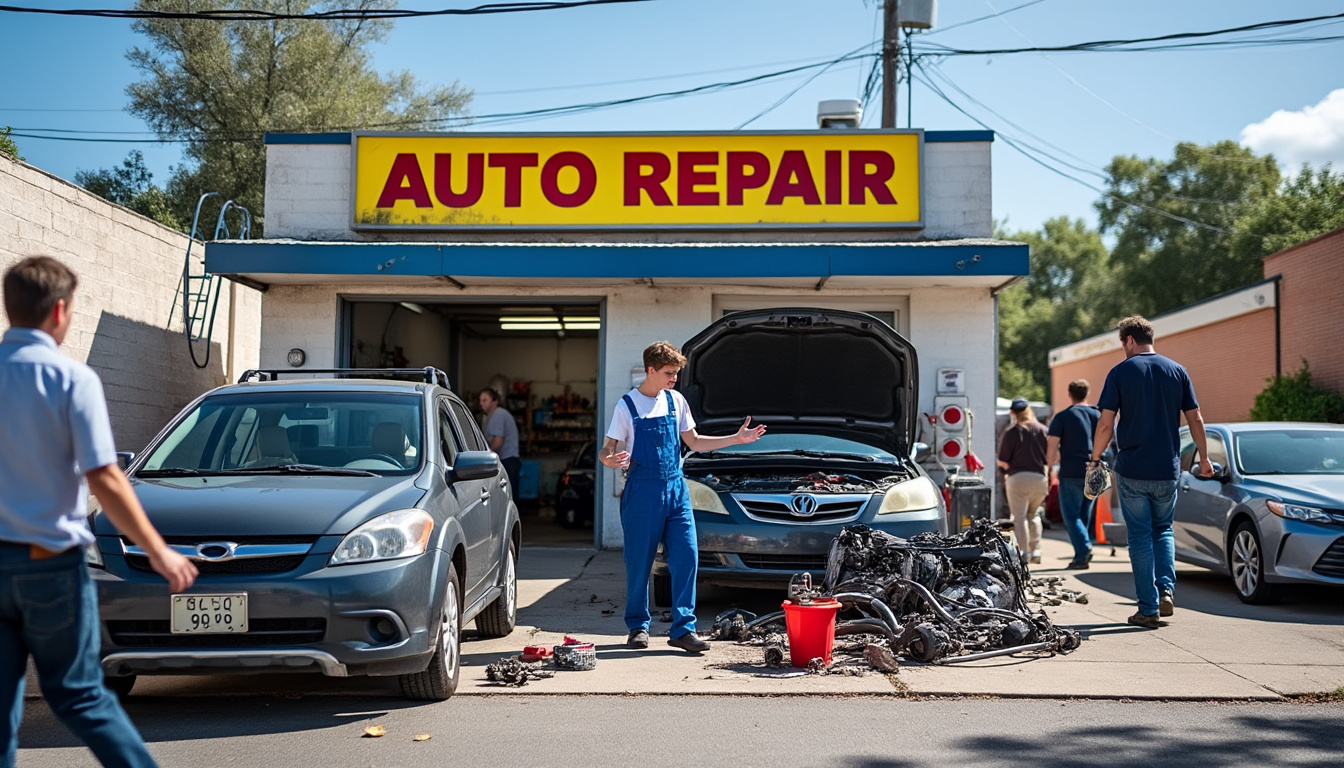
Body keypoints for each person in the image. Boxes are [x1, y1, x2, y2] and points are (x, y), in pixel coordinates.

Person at [1, 256, 198, 768]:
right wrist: (159, 551)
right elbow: (105, 477)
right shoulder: (71, 380)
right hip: (51, 568)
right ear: (60, 311)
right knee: (79, 695)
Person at [599, 341, 765, 653]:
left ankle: (683, 629)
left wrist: (737, 438)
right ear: (650, 371)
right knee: (639, 562)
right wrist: (610, 459)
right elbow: (607, 448)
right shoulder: (627, 406)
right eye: (668, 373)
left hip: (676, 489)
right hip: (642, 491)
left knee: (687, 556)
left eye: (676, 373)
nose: (674, 378)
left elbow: (695, 441)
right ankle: (637, 626)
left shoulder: (676, 401)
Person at [1090, 316, 1213, 630]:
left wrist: (1094, 458)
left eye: (1122, 344)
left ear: (1129, 340)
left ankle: (1148, 608)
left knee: (1140, 537)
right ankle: (1167, 589)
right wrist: (1204, 459)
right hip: (1167, 470)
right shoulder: (1177, 370)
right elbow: (1196, 419)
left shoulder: (1120, 373)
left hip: (1133, 470)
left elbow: (1105, 424)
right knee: (1163, 530)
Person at [1047, 379, 1102, 569]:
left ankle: (1083, 549)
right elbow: (1109, 438)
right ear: (1087, 393)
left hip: (1071, 469)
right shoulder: (1098, 414)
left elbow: (1052, 446)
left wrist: (1049, 465)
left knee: (1071, 515)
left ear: (1069, 394)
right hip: (1094, 470)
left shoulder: (1062, 417)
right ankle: (1080, 555)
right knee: (1084, 514)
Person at [997, 397, 1049, 565]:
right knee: (1034, 514)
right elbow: (1050, 457)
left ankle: (1023, 553)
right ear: (1029, 410)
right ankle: (1036, 550)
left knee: (1019, 517)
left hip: (1017, 478)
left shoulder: (1012, 432)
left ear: (1012, 412)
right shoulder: (1043, 430)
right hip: (1040, 478)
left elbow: (1003, 460)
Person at [479, 387, 521, 498]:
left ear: (494, 401)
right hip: (508, 460)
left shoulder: (498, 415)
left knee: (507, 498)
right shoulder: (491, 416)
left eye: (485, 400)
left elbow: (498, 441)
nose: (481, 403)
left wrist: (485, 457)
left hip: (507, 461)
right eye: (480, 400)